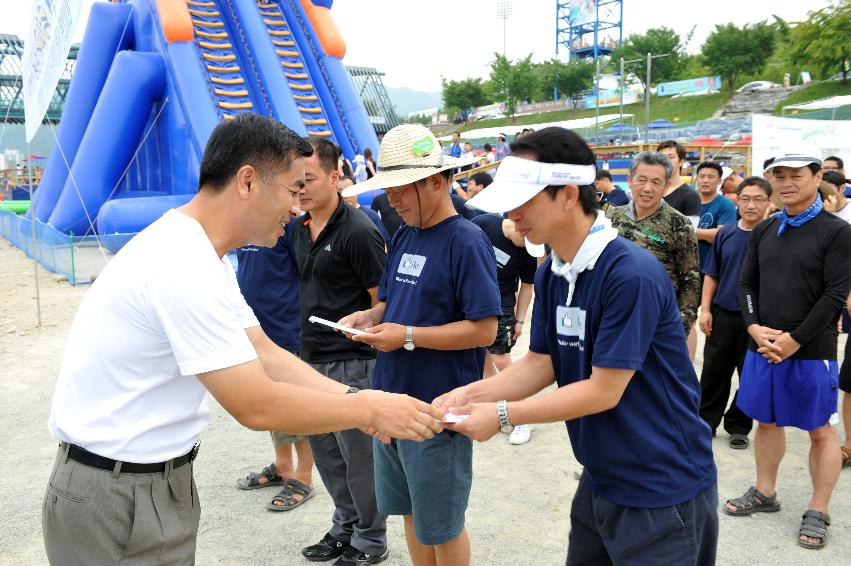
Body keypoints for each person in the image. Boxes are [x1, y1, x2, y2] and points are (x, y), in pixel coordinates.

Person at [42, 114, 443, 565]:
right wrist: (369, 408)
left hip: (152, 482)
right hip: (115, 492)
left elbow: (263, 351)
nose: (297, 208)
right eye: (293, 190)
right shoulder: (181, 263)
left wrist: (354, 398)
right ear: (248, 181)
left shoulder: (200, 253)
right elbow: (254, 404)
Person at [438, 127, 718, 565]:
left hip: (660, 484)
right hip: (601, 477)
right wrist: (470, 394)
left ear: (568, 194)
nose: (513, 215)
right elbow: (541, 361)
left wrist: (502, 414)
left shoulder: (630, 274)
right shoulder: (554, 271)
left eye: (524, 201)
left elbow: (603, 391)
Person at [341, 124, 499, 566]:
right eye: (387, 190)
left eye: (401, 189)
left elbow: (484, 329)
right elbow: (391, 301)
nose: (392, 200)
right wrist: (369, 317)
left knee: (442, 525)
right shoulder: (406, 234)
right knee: (408, 511)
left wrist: (407, 337)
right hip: (392, 399)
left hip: (437, 406)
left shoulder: (466, 241)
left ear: (436, 180)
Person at [724, 146, 851, 550]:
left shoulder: (837, 232)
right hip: (764, 346)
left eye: (797, 174)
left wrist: (794, 340)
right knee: (766, 421)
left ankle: (819, 508)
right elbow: (747, 284)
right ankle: (765, 491)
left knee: (820, 432)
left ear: (817, 178)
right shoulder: (766, 227)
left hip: (812, 350)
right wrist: (754, 327)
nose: (787, 182)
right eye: (779, 175)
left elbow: (835, 295)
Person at [292, 138, 390, 566]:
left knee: (360, 459)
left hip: (352, 362)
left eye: (309, 179)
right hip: (310, 360)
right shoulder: (297, 229)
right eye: (295, 182)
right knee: (328, 454)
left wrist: (364, 321)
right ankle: (344, 525)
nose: (300, 189)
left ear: (335, 178)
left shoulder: (358, 229)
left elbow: (384, 300)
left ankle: (371, 539)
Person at [235, 233, 316, 512]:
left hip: (285, 330)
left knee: (290, 405)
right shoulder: (248, 225)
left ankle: (303, 475)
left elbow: (308, 275)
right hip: (258, 330)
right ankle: (283, 465)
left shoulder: (287, 226)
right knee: (268, 399)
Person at [698, 177, 772, 449]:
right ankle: (705, 422)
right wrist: (705, 309)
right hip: (723, 313)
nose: (751, 205)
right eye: (745, 199)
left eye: (758, 199)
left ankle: (739, 425)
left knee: (750, 375)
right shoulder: (726, 233)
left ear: (768, 203)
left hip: (758, 321)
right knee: (713, 372)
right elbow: (711, 274)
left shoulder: (773, 234)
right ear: (736, 200)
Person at [605, 152, 700, 341]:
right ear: (629, 180)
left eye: (656, 182)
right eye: (642, 180)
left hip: (658, 319)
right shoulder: (611, 216)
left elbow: (690, 281)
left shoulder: (678, 224)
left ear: (666, 187)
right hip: (613, 313)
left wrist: (680, 330)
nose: (647, 188)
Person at [471, 213, 537, 444]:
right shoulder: (484, 223)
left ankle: (522, 416)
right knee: (482, 357)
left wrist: (519, 320)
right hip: (473, 302)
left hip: (501, 304)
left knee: (500, 358)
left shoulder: (529, 250)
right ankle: (492, 411)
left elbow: (527, 287)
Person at [694, 161, 738, 274]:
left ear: (719, 181)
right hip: (687, 266)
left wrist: (691, 232)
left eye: (710, 177)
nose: (705, 180)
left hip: (711, 268)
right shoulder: (690, 200)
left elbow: (722, 235)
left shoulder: (726, 205)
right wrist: (706, 234)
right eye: (701, 176)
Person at [657, 140, 701, 225]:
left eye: (671, 157)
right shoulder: (651, 190)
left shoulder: (691, 196)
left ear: (681, 161)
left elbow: (690, 231)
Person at [340, 175, 391, 244]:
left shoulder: (371, 215)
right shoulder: (333, 217)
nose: (345, 195)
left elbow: (384, 242)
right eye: (340, 191)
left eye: (349, 190)